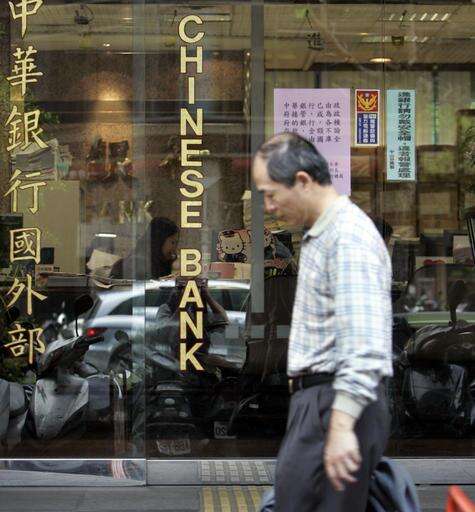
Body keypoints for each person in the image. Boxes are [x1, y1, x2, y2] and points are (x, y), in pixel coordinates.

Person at [252, 133, 393, 512]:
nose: (269, 206)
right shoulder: (325, 234)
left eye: (270, 194)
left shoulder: (346, 238)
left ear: (302, 180)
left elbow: (365, 343)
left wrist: (342, 426)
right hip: (322, 404)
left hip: (335, 403)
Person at [110, 217, 178, 280]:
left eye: (175, 243)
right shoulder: (138, 264)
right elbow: (145, 287)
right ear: (159, 240)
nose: (174, 248)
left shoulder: (159, 263)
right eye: (172, 242)